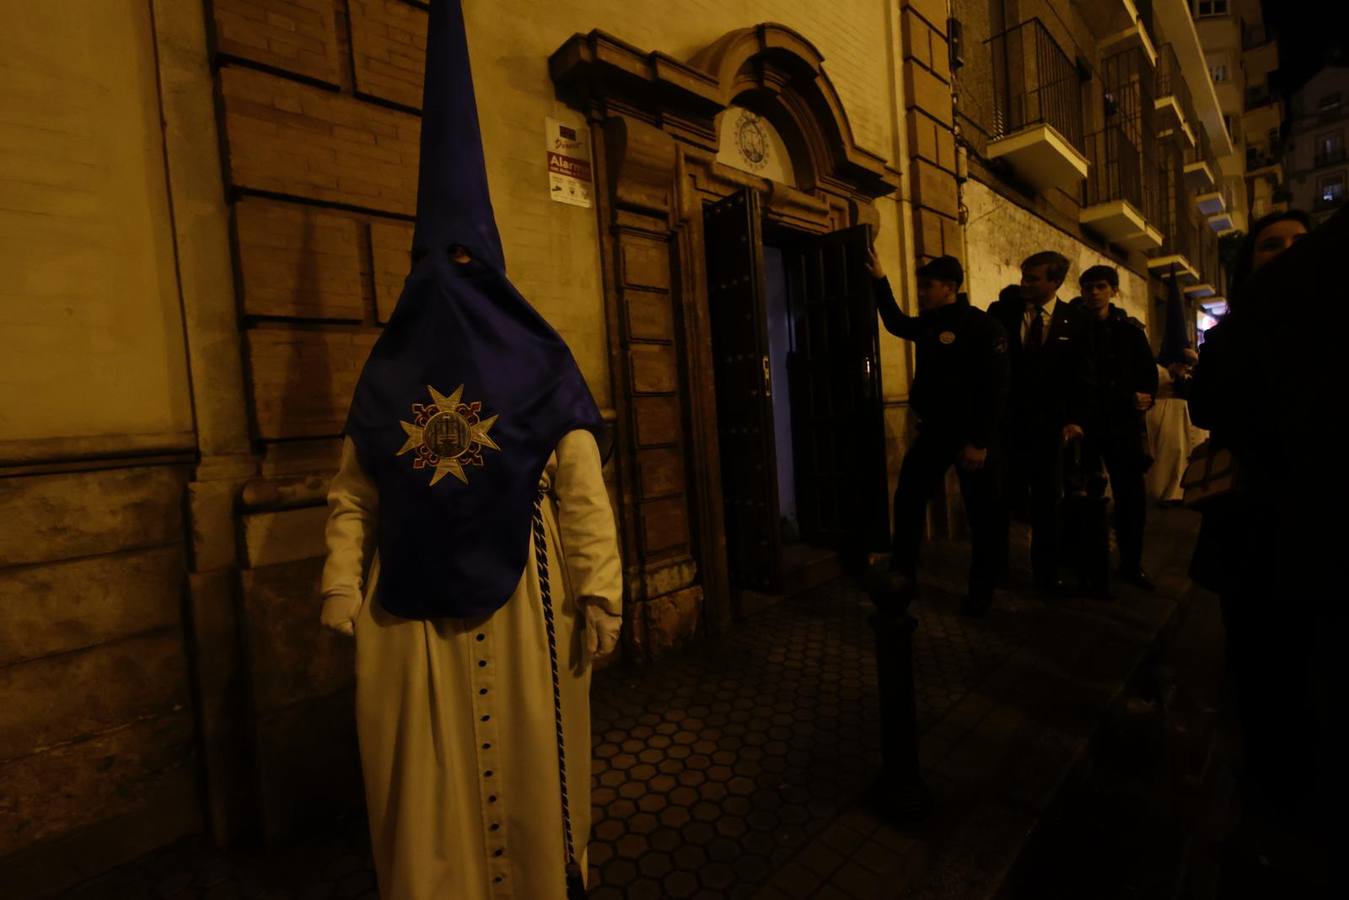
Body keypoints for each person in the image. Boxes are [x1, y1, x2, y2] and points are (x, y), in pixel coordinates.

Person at [320, 3, 622, 897]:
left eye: (465, 261)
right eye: (433, 263)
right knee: (424, 783)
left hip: (525, 602)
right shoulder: (386, 378)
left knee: (528, 765)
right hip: (405, 615)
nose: (447, 281)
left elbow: (579, 486)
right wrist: (342, 578)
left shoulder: (539, 362)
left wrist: (599, 587)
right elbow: (354, 490)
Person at [1186, 208, 1328, 888]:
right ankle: (1271, 820)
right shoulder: (1238, 338)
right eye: (1272, 247)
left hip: (1327, 544)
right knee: (1267, 685)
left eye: (1300, 243)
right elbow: (1212, 406)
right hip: (1260, 542)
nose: (1289, 253)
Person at [866, 251, 1009, 616]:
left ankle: (981, 593)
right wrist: (880, 279)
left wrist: (979, 443)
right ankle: (903, 576)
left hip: (972, 437)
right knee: (909, 499)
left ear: (950, 288)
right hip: (934, 433)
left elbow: (994, 390)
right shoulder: (930, 322)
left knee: (982, 516)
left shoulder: (983, 327)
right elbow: (896, 323)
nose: (922, 293)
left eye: (927, 286)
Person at [986, 252, 1095, 594]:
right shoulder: (1001, 314)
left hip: (1050, 431)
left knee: (1048, 506)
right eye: (1024, 276)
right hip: (1006, 428)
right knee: (1000, 501)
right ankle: (996, 571)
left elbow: (1083, 376)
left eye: (1033, 279)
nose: (1024, 284)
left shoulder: (1075, 321)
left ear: (1055, 282)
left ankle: (1046, 577)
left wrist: (1077, 420)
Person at [1071, 265, 1158, 590]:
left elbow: (1147, 374)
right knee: (1086, 497)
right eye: (1088, 287)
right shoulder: (1072, 329)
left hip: (1121, 425)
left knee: (1130, 498)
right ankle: (1090, 563)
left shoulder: (1130, 332)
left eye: (1100, 287)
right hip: (1085, 426)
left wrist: (1143, 397)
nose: (1094, 293)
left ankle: (1131, 562)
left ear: (1113, 291)